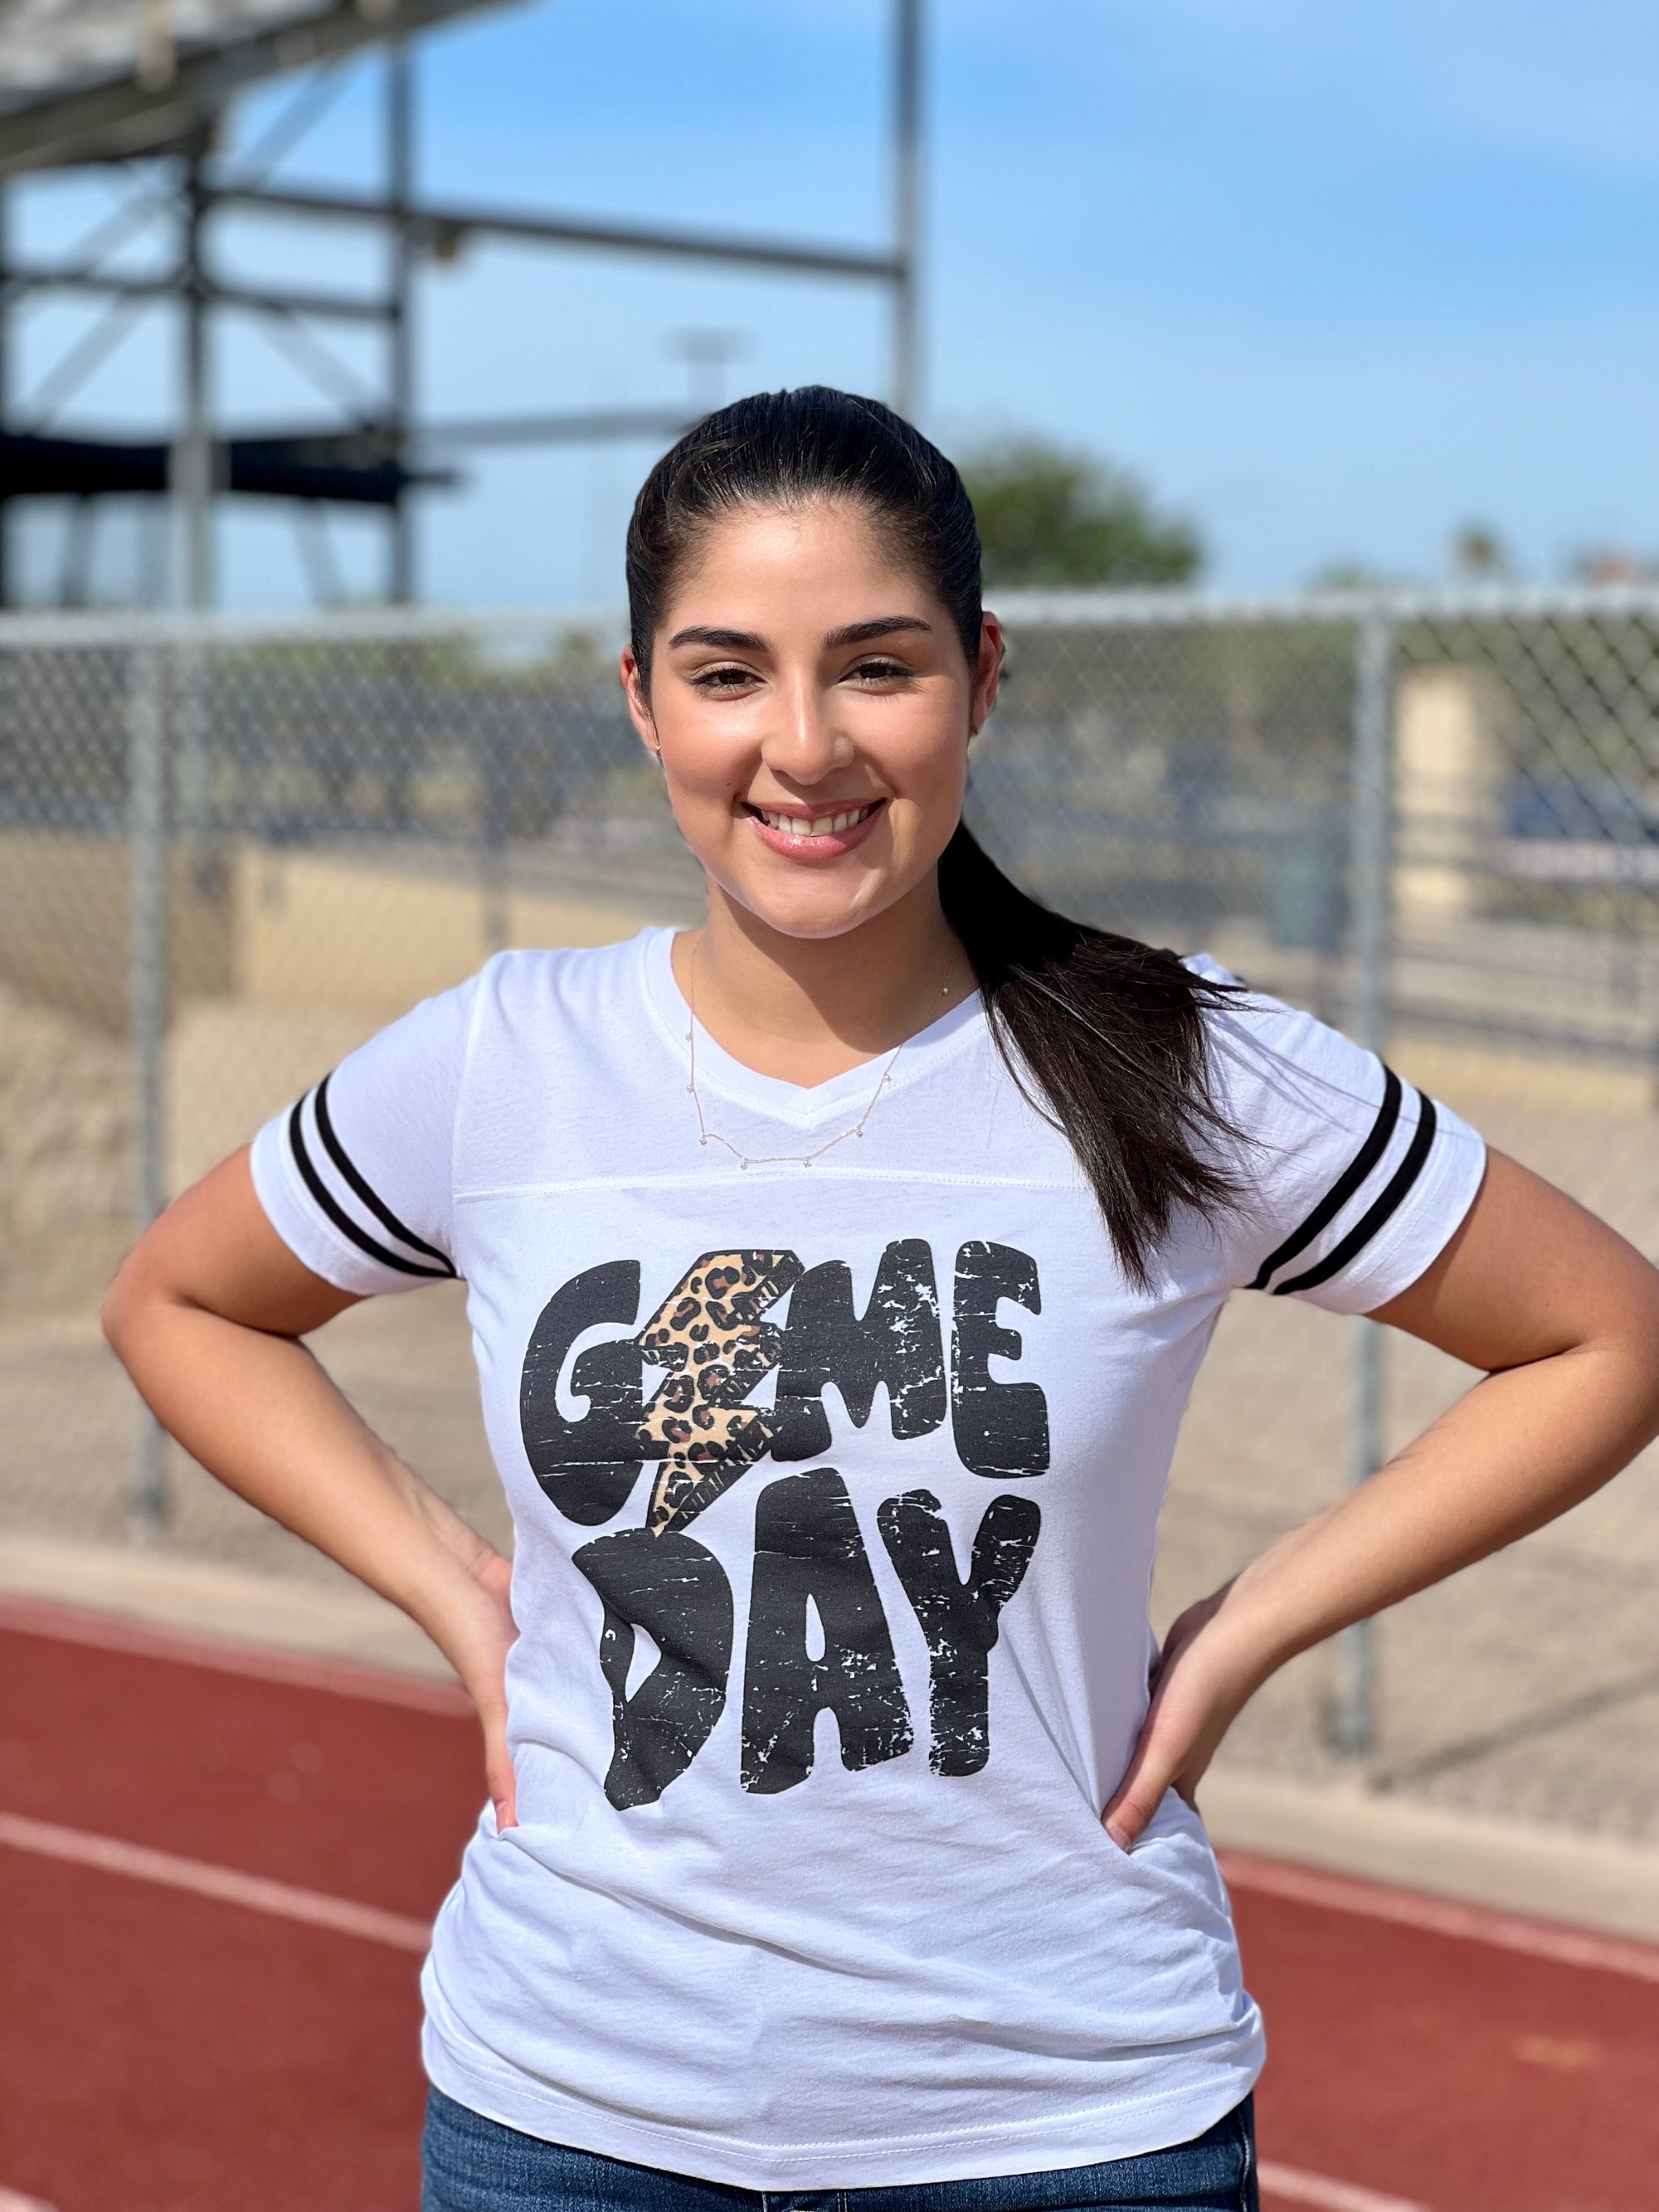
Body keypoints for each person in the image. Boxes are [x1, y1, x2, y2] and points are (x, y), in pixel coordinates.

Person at [104, 388, 1659, 2212]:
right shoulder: (501, 1060)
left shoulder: (1175, 1058)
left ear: (983, 677)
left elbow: (1599, 1333)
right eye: (727, 672)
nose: (805, 744)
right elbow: (183, 1300)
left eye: (877, 665)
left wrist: (1238, 1632)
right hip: (576, 2113)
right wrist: (460, 1594)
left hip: (1065, 2119)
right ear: (639, 700)